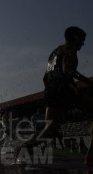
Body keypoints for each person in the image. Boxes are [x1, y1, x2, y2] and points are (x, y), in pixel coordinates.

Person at [38, 27, 93, 165]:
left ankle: (21, 148)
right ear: (75, 38)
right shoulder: (70, 49)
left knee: (49, 129)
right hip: (63, 89)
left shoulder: (54, 52)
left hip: (50, 91)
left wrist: (50, 94)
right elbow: (69, 71)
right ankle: (90, 158)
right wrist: (88, 82)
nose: (83, 43)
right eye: (82, 40)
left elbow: (45, 77)